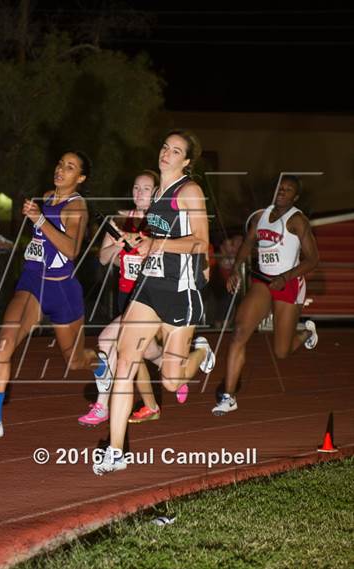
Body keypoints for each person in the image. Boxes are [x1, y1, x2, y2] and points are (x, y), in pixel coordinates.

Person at [93, 129, 215, 475]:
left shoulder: (189, 191)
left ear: (187, 161)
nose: (167, 153)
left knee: (172, 382)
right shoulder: (158, 191)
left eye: (176, 151)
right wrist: (141, 238)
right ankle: (116, 451)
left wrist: (157, 245)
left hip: (180, 293)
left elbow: (200, 242)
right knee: (125, 359)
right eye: (165, 147)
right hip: (149, 289)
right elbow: (158, 237)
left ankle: (202, 351)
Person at [0, 151, 111, 445]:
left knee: (74, 361)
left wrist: (40, 220)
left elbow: (71, 250)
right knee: (3, 345)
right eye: (60, 164)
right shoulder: (47, 196)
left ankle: (100, 366)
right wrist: (36, 218)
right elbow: (41, 236)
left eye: (70, 167)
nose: (61, 169)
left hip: (62, 290)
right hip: (33, 282)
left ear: (81, 178)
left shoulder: (78, 207)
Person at [212, 175, 319, 416]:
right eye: (280, 187)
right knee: (239, 332)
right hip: (262, 281)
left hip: (288, 284)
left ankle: (306, 331)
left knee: (281, 352)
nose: (282, 191)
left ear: (295, 197)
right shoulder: (261, 216)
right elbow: (248, 243)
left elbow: (313, 259)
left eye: (288, 189)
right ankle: (228, 396)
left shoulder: (298, 221)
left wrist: (287, 276)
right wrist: (235, 271)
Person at [78, 170, 164, 427]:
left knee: (107, 340)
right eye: (136, 188)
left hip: (151, 299)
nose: (139, 193)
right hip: (126, 298)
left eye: (146, 189)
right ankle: (173, 370)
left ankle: (103, 406)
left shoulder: (161, 222)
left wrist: (140, 240)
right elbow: (104, 259)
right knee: (145, 352)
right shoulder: (120, 220)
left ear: (157, 192)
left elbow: (164, 252)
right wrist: (118, 243)